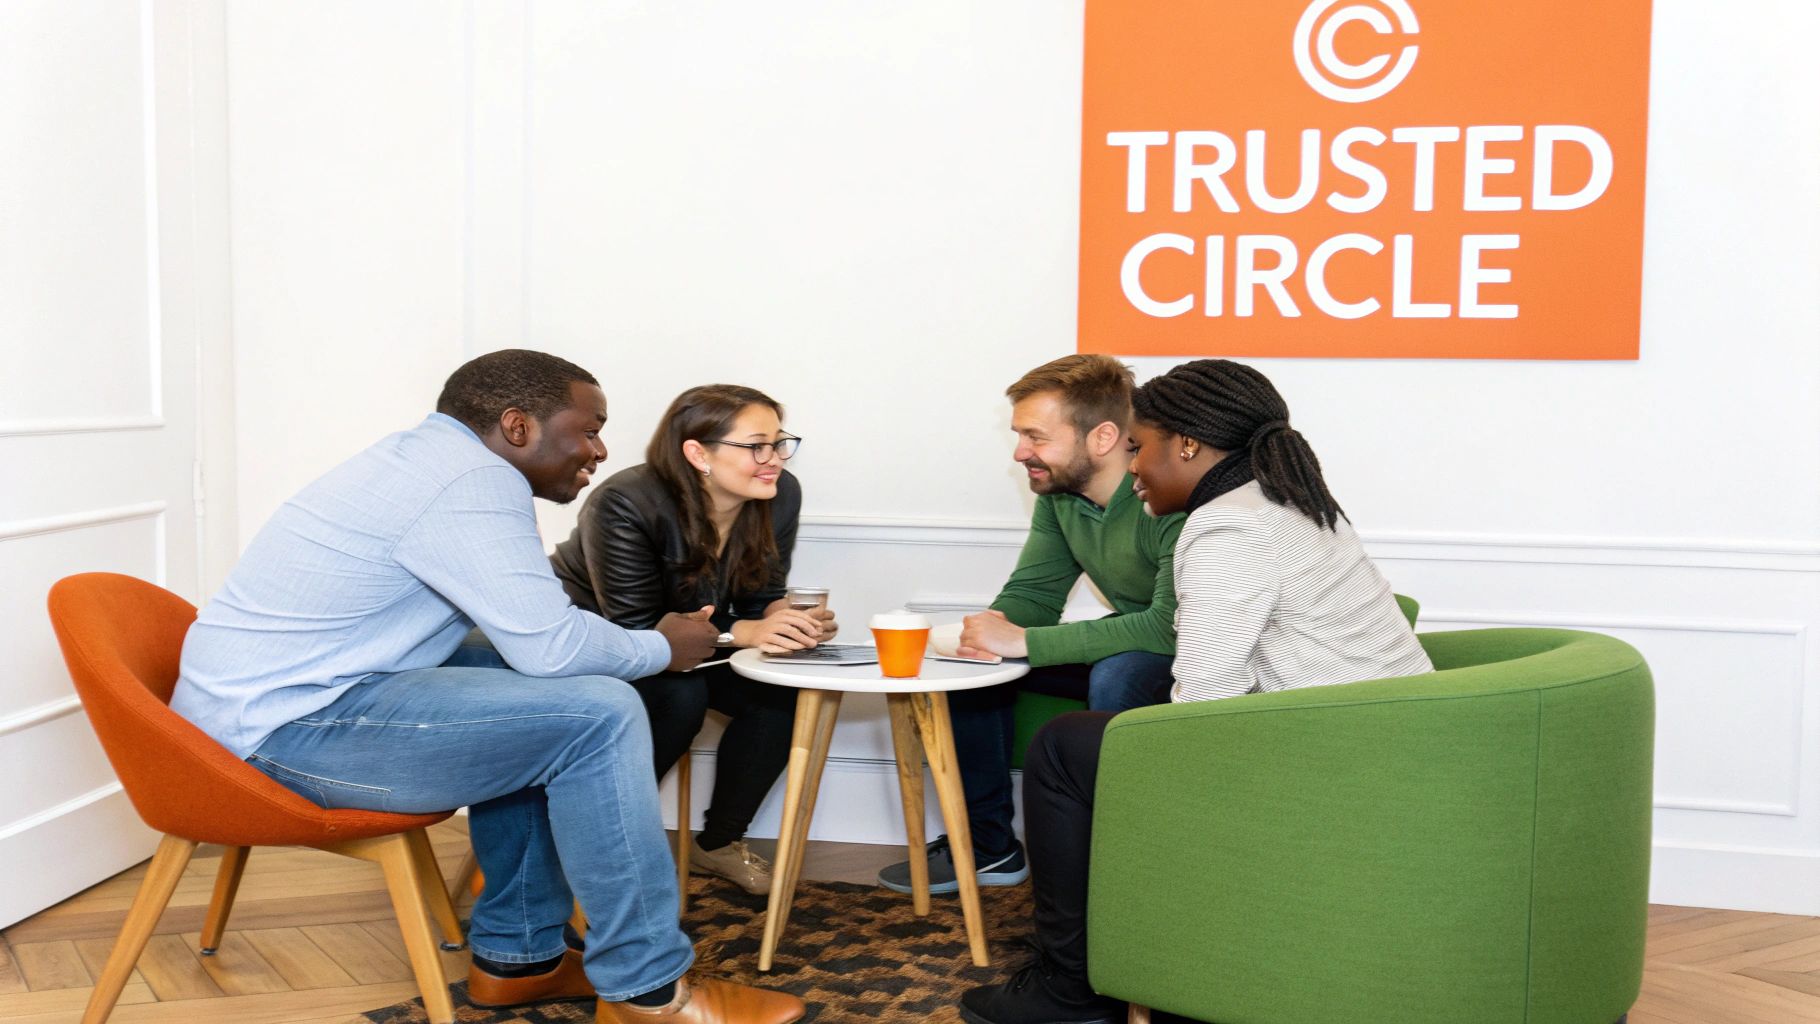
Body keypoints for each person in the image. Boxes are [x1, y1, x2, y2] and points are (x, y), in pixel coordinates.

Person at [170, 350, 804, 1024]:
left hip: (289, 704)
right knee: (600, 711)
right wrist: (662, 647)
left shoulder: (430, 461)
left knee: (549, 689)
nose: (600, 448)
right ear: (517, 425)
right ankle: (649, 992)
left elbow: (538, 643)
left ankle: (519, 957)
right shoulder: (471, 482)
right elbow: (554, 646)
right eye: (588, 429)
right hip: (280, 736)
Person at [957, 359, 1436, 1024]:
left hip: (1339, 761)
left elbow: (1206, 712)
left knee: (1065, 748)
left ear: (1185, 445)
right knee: (1094, 736)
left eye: (1141, 445)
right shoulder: (1281, 498)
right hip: (1389, 745)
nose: (1132, 466)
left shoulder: (1225, 528)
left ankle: (1071, 991)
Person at [877, 355, 1184, 897]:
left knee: (1119, 673)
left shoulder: (1168, 493)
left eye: (1035, 437)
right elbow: (1036, 595)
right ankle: (989, 847)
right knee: (969, 669)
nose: (1021, 452)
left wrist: (1023, 640)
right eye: (1020, 435)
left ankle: (1114, 865)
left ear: (1104, 436)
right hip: (1139, 634)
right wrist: (989, 634)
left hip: (1197, 651)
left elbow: (1169, 628)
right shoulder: (1061, 495)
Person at [550, 384, 836, 895]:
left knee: (783, 692)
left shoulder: (779, 494)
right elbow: (636, 630)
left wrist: (787, 620)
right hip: (596, 641)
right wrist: (744, 632)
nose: (773, 460)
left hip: (696, 641)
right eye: (756, 446)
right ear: (698, 452)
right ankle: (601, 848)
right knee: (678, 696)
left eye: (779, 442)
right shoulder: (624, 501)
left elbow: (762, 593)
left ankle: (718, 844)